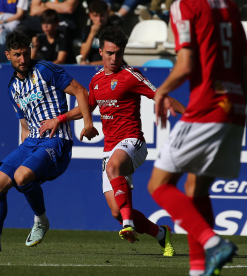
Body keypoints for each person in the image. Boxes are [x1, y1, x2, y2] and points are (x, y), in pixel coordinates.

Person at [39, 26, 186, 257]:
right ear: (101, 52)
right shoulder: (97, 80)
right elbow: (87, 107)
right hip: (110, 148)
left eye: (118, 53)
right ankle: (160, 233)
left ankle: (128, 224)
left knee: (114, 169)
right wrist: (59, 119)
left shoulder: (131, 75)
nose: (114, 58)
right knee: (116, 211)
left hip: (132, 142)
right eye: (110, 53)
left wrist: (190, 116)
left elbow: (159, 95)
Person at [146, 0, 247, 275]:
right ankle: (199, 270)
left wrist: (161, 92)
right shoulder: (229, 6)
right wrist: (237, 107)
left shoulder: (185, 6)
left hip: (206, 108)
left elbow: (185, 65)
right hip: (235, 109)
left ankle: (213, 243)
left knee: (159, 185)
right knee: (196, 189)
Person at [0, 31, 98, 252]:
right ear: (7, 55)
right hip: (31, 143)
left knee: (22, 176)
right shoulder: (12, 88)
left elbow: (80, 91)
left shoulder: (44, 70)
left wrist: (87, 123)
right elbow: (25, 126)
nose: (23, 59)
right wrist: (25, 153)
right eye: (17, 55)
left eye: (26, 53)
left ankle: (41, 221)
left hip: (56, 141)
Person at [16, 0, 81, 39]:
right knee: (21, 30)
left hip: (62, 20)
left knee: (64, 32)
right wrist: (60, 7)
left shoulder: (45, 3)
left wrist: (45, 4)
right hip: (42, 18)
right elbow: (34, 10)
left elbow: (68, 8)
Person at [79, 0, 109, 65]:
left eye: (102, 15)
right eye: (95, 16)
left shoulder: (113, 30)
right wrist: (92, 34)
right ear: (90, 16)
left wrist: (90, 64)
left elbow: (113, 60)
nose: (99, 19)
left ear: (107, 14)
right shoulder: (88, 30)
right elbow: (82, 56)